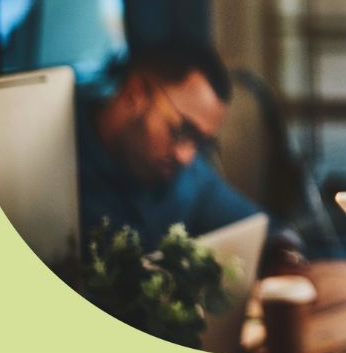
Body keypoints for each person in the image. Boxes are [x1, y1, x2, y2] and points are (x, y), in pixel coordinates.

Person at [77, 40, 307, 274]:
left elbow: (268, 231)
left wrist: (285, 256)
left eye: (200, 142)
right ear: (134, 93)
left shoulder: (188, 177)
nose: (186, 157)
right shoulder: (61, 170)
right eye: (182, 131)